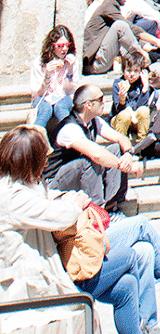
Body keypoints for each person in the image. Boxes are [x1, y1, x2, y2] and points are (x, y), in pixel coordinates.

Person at [0, 124, 147, 334]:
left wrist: (67, 198)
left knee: (127, 285)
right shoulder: (11, 197)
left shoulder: (18, 185)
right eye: (43, 158)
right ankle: (151, 319)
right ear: (29, 161)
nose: (46, 162)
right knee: (132, 255)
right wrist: (75, 204)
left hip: (54, 269)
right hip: (36, 285)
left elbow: (45, 199)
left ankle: (144, 326)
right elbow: (61, 216)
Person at [43, 84, 144, 210]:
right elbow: (97, 155)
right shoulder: (69, 128)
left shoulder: (94, 121)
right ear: (88, 105)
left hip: (78, 177)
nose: (104, 102)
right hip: (55, 183)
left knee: (117, 149)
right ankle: (97, 211)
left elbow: (121, 138)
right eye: (100, 99)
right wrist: (125, 167)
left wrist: (128, 155)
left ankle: (113, 204)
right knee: (91, 159)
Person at [28, 24, 76, 130]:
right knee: (46, 110)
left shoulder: (72, 62)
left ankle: (72, 136)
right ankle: (35, 140)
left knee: (61, 107)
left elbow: (69, 90)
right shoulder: (39, 63)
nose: (64, 49)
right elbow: (38, 93)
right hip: (43, 97)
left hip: (64, 96)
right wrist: (47, 75)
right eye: (60, 46)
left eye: (67, 45)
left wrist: (70, 71)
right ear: (52, 46)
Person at [110, 51, 156, 141]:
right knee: (124, 115)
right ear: (123, 70)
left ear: (141, 72)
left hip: (136, 120)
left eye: (135, 71)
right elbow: (117, 110)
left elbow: (143, 106)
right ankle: (121, 143)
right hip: (120, 120)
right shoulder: (118, 84)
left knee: (144, 111)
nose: (131, 74)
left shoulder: (142, 84)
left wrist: (145, 88)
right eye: (128, 70)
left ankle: (142, 142)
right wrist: (122, 100)